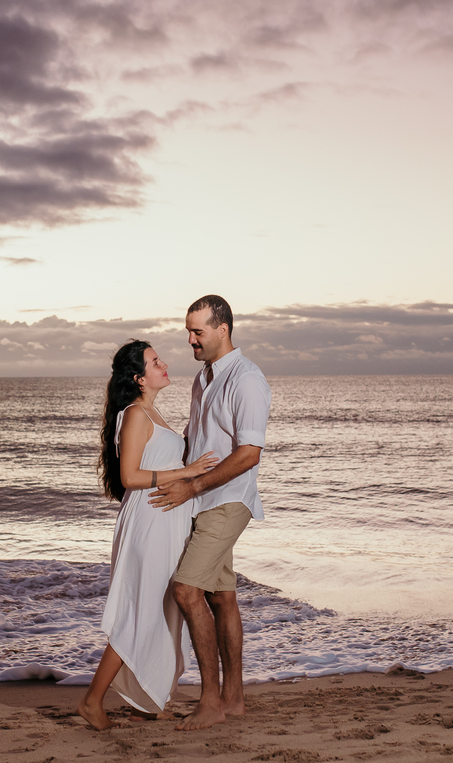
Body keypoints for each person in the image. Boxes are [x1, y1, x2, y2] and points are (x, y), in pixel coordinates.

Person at [77, 339, 219, 731]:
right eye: (155, 362)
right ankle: (91, 701)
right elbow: (130, 477)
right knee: (138, 613)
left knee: (159, 611)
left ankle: (147, 701)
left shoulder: (152, 412)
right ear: (139, 378)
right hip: (149, 521)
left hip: (164, 521)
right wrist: (186, 472)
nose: (164, 364)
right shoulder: (136, 414)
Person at [149, 295, 272, 730]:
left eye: (197, 332)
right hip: (203, 500)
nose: (190, 340)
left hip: (227, 499)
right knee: (221, 597)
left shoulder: (247, 379)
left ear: (223, 329)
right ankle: (233, 699)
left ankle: (210, 702)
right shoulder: (204, 378)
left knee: (186, 591)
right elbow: (196, 440)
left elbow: (249, 453)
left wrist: (193, 487)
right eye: (188, 331)